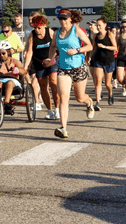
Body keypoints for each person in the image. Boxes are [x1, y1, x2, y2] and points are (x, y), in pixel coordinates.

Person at [44, 9, 95, 139]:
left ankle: (89, 103)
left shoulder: (77, 31)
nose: (63, 21)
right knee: (63, 97)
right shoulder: (57, 33)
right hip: (63, 68)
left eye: (65, 18)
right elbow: (53, 46)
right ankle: (63, 128)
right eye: (61, 19)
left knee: (79, 98)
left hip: (78, 67)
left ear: (70, 19)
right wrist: (50, 58)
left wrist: (77, 50)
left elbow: (89, 46)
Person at [23, 14, 60, 120]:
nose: (37, 30)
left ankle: (57, 110)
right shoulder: (32, 35)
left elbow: (56, 47)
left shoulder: (50, 32)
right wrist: (26, 66)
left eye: (39, 27)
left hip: (51, 61)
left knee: (53, 83)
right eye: (35, 27)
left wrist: (52, 59)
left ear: (44, 25)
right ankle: (50, 111)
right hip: (39, 63)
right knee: (43, 87)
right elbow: (29, 52)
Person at [0, 40, 28, 114]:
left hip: (13, 81)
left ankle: (6, 103)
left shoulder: (15, 61)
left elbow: (24, 72)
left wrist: (17, 70)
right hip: (0, 79)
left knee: (9, 83)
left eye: (3, 53)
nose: (1, 55)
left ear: (8, 52)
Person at [90, 16, 117, 110]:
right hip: (98, 61)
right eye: (97, 25)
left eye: (100, 25)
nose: (98, 27)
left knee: (107, 84)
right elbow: (93, 48)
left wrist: (104, 47)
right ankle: (97, 102)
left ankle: (110, 93)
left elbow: (115, 47)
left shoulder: (109, 34)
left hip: (109, 61)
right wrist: (89, 57)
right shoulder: (95, 36)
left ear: (105, 25)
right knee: (98, 82)